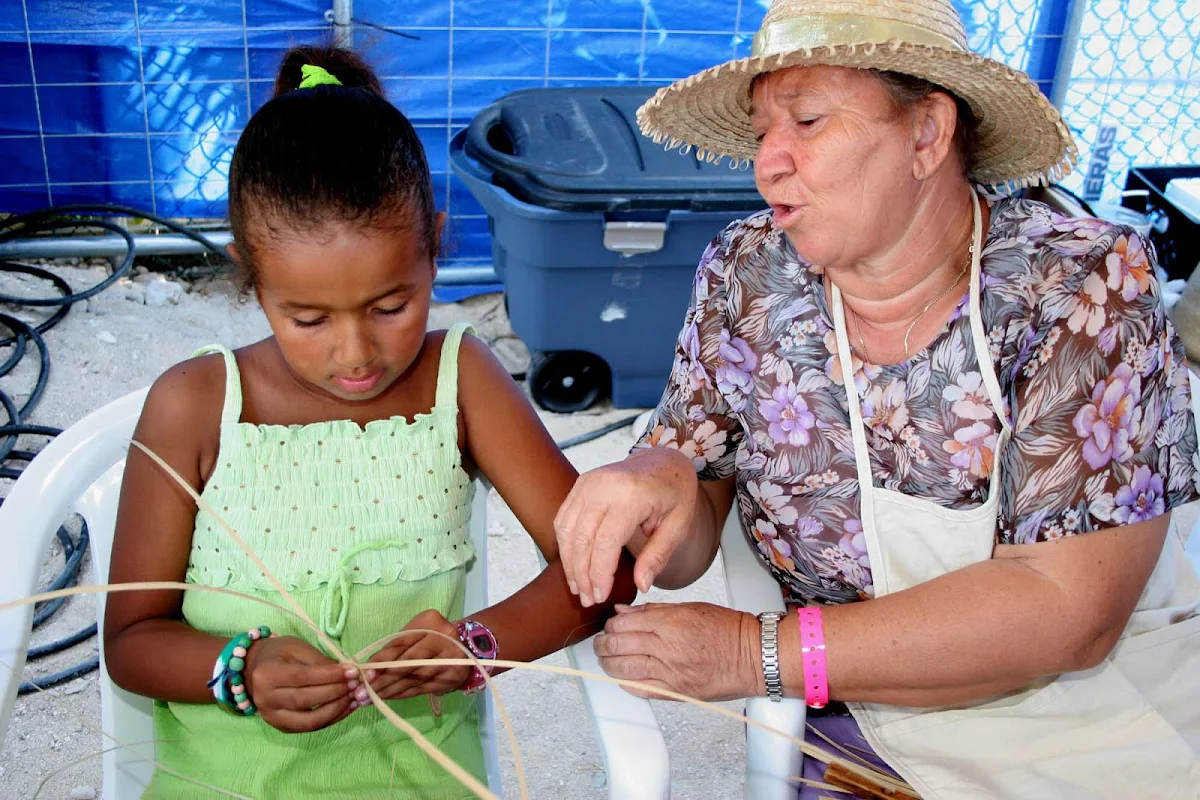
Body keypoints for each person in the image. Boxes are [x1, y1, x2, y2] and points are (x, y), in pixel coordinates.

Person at [553, 0, 1200, 796]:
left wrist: (751, 654)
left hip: (1084, 712)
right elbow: (687, 544)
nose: (769, 164)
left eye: (809, 122)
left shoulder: (1079, 284)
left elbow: (1070, 614)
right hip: (853, 700)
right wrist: (656, 473)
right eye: (762, 133)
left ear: (927, 134)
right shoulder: (747, 270)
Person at [103, 45, 634, 799]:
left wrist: (475, 646)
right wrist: (240, 671)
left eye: (391, 306)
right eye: (306, 317)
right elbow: (131, 640)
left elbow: (601, 571)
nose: (356, 353)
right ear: (249, 274)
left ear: (437, 247)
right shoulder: (194, 404)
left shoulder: (464, 381)